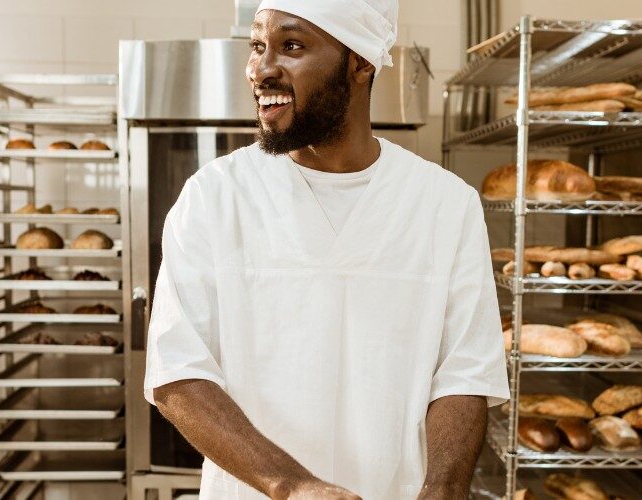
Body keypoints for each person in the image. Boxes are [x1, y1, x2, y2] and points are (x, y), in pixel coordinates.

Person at [145, 0, 509, 498]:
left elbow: (465, 373)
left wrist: (443, 488)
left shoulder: (445, 205)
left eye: (291, 46)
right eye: (257, 46)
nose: (261, 69)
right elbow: (178, 373)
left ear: (361, 62)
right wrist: (290, 486)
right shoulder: (215, 197)